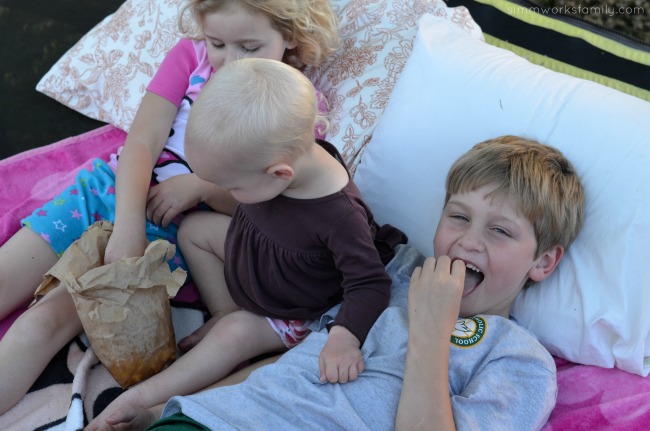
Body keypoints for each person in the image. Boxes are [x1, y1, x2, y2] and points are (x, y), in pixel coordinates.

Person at [88, 135, 585, 431]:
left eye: (499, 231)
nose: (468, 242)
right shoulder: (391, 274)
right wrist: (169, 410)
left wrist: (432, 332)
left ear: (543, 262)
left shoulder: (519, 359)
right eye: (458, 217)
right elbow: (290, 367)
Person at [0, 0, 339, 416]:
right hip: (109, 192)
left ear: (289, 35)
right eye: (217, 42)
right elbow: (142, 140)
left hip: (169, 230)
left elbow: (269, 210)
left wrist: (200, 189)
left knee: (42, 323)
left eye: (249, 47)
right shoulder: (190, 57)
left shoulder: (296, 106)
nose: (230, 60)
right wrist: (127, 225)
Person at [87, 57, 393, 429]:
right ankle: (224, 311)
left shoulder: (340, 217)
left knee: (231, 337)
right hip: (259, 257)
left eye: (233, 186)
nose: (225, 192)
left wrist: (344, 337)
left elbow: (370, 284)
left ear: (280, 174)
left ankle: (138, 402)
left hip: (291, 307)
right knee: (194, 231)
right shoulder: (291, 159)